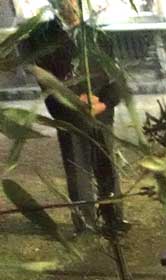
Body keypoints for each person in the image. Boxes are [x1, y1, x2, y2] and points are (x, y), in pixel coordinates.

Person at [20, 0, 122, 234]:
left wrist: (103, 102)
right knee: (78, 169)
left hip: (101, 114)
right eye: (64, 0)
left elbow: (117, 79)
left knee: (107, 166)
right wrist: (75, 105)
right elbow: (47, 83)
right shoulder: (41, 39)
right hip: (69, 117)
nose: (70, 4)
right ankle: (85, 222)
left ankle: (114, 218)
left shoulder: (100, 38)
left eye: (75, 0)